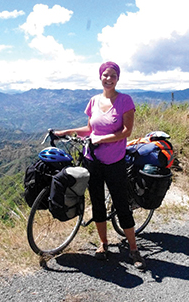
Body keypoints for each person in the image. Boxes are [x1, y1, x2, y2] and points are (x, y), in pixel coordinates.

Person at [55, 61, 146, 269]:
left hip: (114, 162)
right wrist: (65, 132)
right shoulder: (94, 100)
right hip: (92, 160)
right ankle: (103, 245)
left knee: (121, 204)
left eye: (113, 75)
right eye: (105, 75)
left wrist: (101, 140)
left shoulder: (125, 100)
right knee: (96, 203)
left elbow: (126, 131)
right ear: (100, 76)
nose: (109, 78)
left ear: (118, 78)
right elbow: (89, 129)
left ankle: (133, 249)